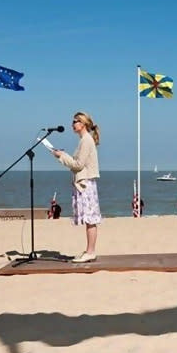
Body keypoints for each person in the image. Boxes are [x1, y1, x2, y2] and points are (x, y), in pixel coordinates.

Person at [53, 112, 101, 263]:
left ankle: (91, 251)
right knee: (89, 218)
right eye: (73, 121)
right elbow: (78, 162)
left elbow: (79, 165)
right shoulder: (84, 141)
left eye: (75, 121)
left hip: (85, 183)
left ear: (83, 124)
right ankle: (89, 250)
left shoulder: (86, 140)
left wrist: (62, 156)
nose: (72, 124)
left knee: (90, 219)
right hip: (84, 182)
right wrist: (63, 155)